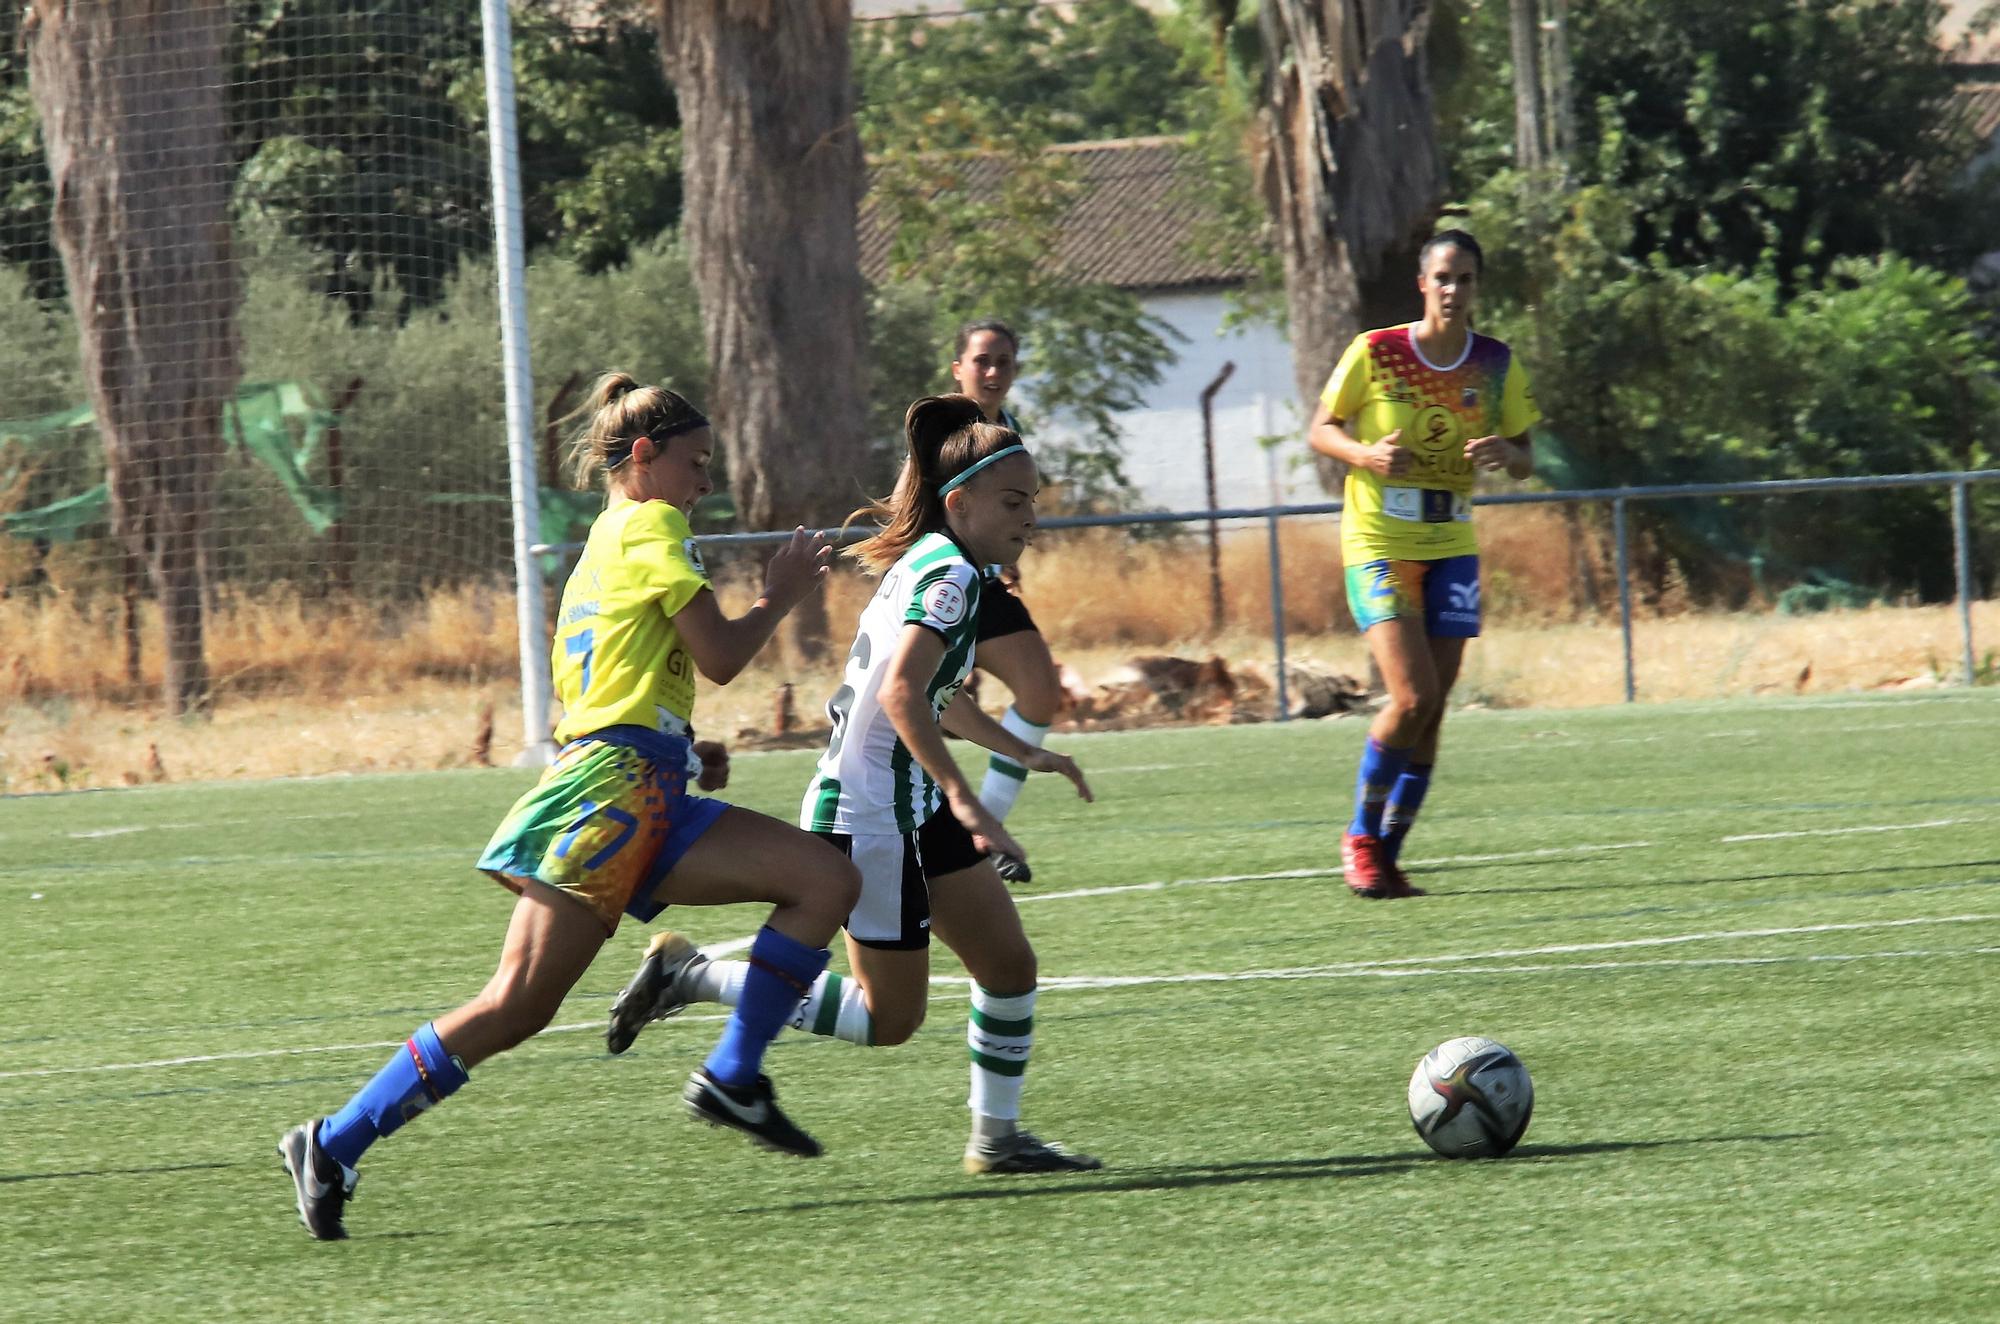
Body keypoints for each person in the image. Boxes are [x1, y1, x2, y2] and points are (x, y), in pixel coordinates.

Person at [277, 374, 861, 1240]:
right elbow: (723, 656)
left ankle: (734, 1074)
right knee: (516, 1004)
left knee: (823, 882)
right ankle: (333, 1141)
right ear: (643, 457)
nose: (706, 483)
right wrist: (779, 594)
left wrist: (677, 741)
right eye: (696, 465)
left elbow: (608, 677)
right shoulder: (655, 525)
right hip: (610, 798)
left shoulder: (607, 536)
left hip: (641, 781)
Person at [606, 394, 1103, 1176]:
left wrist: (1024, 753)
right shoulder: (951, 579)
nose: (1029, 517)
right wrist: (974, 804)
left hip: (908, 804)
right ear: (961, 501)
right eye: (1014, 501)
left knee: (1009, 966)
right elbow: (903, 696)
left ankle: (997, 1140)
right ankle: (694, 975)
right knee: (887, 1019)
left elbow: (933, 693)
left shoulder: (942, 564)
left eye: (1034, 501)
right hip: (875, 816)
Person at [1306, 230, 1539, 899]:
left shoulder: (1494, 363)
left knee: (1432, 712)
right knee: (1411, 697)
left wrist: (1508, 455)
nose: (1453, 290)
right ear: (1422, 284)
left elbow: (1527, 458)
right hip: (1379, 540)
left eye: (1466, 278)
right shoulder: (1377, 351)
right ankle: (1360, 837)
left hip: (1451, 545)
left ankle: (1389, 849)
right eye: (1443, 277)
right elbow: (1322, 428)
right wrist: (1367, 457)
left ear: (1477, 286)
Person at [947, 320, 1064, 884]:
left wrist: (1006, 549)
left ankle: (983, 831)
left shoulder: (1006, 427)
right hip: (942, 584)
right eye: (982, 361)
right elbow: (920, 502)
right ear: (958, 369)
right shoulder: (945, 425)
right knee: (914, 713)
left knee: (1041, 691)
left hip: (984, 584)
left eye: (1005, 363)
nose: (993, 372)